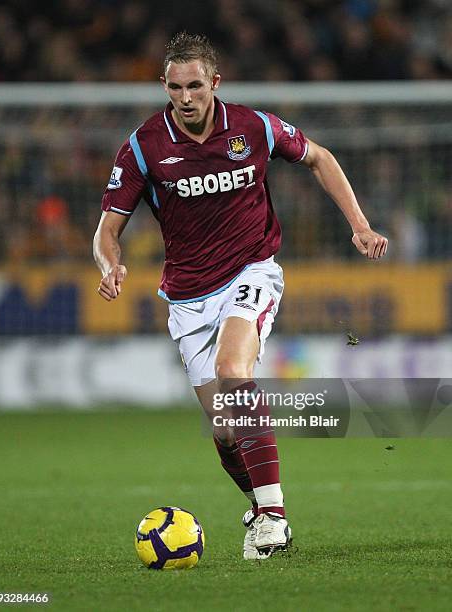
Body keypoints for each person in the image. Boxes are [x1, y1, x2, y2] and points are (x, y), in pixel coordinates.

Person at [93, 32, 388, 561]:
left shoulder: (252, 127)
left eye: (196, 87)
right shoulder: (143, 146)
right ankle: (259, 508)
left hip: (251, 270)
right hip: (187, 298)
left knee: (235, 371)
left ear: (215, 83)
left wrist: (359, 226)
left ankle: (273, 517)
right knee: (227, 433)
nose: (186, 98)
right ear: (164, 85)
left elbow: (319, 157)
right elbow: (106, 229)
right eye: (176, 87)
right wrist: (109, 263)